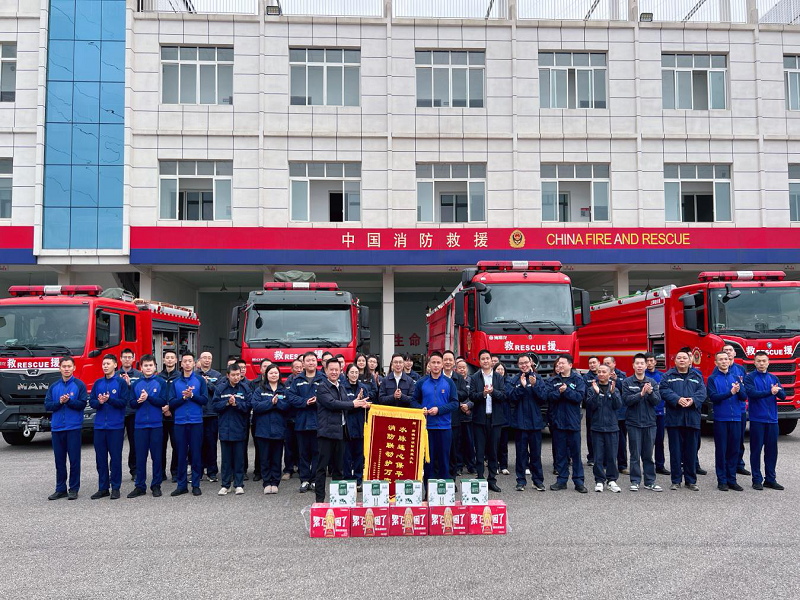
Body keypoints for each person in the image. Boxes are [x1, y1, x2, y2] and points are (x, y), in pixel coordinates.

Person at [314, 359, 370, 502]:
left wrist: (358, 402)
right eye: (331, 369)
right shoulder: (322, 387)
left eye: (336, 370)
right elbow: (333, 404)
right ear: (326, 371)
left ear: (340, 371)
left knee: (339, 469)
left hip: (341, 433)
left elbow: (346, 404)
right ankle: (320, 500)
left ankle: (338, 500)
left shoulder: (341, 387)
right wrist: (353, 403)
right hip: (327, 433)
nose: (334, 372)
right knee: (322, 468)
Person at [659, 348, 705, 491]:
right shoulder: (668, 376)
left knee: (691, 451)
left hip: (692, 419)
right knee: (675, 451)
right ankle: (676, 480)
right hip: (674, 419)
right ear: (675, 361)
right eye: (679, 358)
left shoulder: (697, 376)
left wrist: (693, 400)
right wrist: (677, 399)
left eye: (684, 358)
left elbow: (702, 392)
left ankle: (691, 481)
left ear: (690, 360)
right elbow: (663, 390)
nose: (682, 360)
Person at [45, 357, 89, 500]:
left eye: (69, 366)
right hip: (57, 428)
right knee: (59, 461)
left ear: (74, 368)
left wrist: (68, 401)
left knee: (74, 460)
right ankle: (60, 489)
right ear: (60, 368)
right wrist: (59, 402)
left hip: (73, 427)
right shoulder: (54, 386)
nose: (66, 369)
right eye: (64, 366)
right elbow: (47, 405)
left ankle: (74, 489)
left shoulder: (79, 385)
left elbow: (82, 404)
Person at [412, 352, 459, 483]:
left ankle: (443, 490)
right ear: (429, 364)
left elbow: (455, 403)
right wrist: (420, 409)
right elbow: (413, 401)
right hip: (427, 428)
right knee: (428, 461)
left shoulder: (449, 382)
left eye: (438, 362)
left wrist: (439, 410)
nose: (436, 365)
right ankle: (428, 491)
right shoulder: (422, 382)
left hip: (445, 428)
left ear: (442, 364)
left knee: (444, 461)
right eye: (433, 362)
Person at [743, 351, 786, 491]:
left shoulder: (773, 378)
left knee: (772, 451)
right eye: (759, 361)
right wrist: (770, 392)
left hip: (772, 420)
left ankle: (770, 479)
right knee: (756, 450)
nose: (761, 363)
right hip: (757, 420)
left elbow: (783, 396)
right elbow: (752, 394)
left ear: (768, 362)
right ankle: (756, 479)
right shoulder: (750, 378)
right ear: (754, 363)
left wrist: (778, 391)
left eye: (764, 361)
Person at [127, 354, 168, 498]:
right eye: (145, 365)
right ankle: (140, 486)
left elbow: (163, 401)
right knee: (140, 457)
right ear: (141, 368)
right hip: (140, 426)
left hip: (156, 425)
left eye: (151, 365)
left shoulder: (161, 382)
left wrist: (148, 398)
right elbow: (131, 404)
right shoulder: (136, 384)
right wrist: (140, 400)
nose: (148, 368)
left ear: (155, 367)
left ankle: (156, 485)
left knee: (156, 457)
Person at [168, 351, 208, 497]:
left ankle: (196, 484)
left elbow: (204, 400)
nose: (187, 363)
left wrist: (192, 395)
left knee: (196, 454)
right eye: (184, 361)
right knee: (181, 454)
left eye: (190, 361)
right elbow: (171, 403)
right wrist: (184, 398)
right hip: (180, 422)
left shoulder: (200, 380)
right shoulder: (175, 382)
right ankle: (181, 485)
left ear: (194, 363)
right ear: (181, 363)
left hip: (196, 422)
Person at [622, 353, 663, 492]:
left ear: (646, 366)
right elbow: (626, 400)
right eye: (637, 363)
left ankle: (650, 481)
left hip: (650, 423)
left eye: (642, 363)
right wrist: (641, 394)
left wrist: (650, 392)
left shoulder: (652, 382)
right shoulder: (627, 382)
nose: (639, 366)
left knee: (648, 455)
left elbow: (657, 401)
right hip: (633, 423)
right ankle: (635, 481)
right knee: (635, 454)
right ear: (633, 365)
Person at [89, 354, 128, 500]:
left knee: (115, 458)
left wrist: (109, 399)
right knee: (100, 459)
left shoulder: (121, 383)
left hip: (115, 427)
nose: (105, 366)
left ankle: (115, 487)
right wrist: (99, 402)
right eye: (103, 364)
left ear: (115, 365)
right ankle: (103, 488)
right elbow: (92, 402)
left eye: (108, 363)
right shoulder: (98, 383)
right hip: (100, 426)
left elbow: (123, 403)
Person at [706, 351, 746, 492]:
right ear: (716, 363)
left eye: (726, 359)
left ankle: (732, 480)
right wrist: (731, 392)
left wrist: (738, 390)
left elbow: (744, 397)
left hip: (736, 418)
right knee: (721, 451)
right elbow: (713, 397)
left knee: (734, 450)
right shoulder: (712, 379)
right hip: (721, 419)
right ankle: (722, 480)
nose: (724, 361)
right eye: (721, 359)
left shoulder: (736, 377)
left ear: (730, 361)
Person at [547, 354, 587, 493]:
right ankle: (562, 480)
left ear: (570, 365)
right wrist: (559, 392)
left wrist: (567, 391)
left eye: (563, 363)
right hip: (558, 423)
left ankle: (579, 481)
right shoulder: (553, 380)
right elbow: (548, 397)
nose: (560, 365)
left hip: (573, 423)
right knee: (560, 454)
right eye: (559, 363)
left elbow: (579, 397)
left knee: (576, 454)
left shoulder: (578, 379)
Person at [469, 349, 507, 493]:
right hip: (479, 420)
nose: (485, 361)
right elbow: (472, 396)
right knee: (479, 451)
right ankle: (480, 478)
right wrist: (483, 394)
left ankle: (492, 480)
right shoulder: (475, 377)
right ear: (479, 361)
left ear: (492, 361)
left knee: (493, 451)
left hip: (495, 420)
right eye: (483, 359)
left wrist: (493, 392)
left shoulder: (498, 377)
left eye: (487, 358)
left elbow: (503, 395)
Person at [286, 351, 325, 493]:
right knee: (303, 453)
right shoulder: (297, 380)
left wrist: (318, 400)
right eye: (308, 360)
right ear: (303, 363)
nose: (311, 363)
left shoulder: (323, 379)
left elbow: (329, 396)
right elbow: (290, 397)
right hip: (301, 422)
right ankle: (304, 480)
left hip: (318, 422)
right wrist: (305, 402)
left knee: (317, 453)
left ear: (317, 362)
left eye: (313, 360)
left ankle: (314, 480)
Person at [509, 354, 546, 492]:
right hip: (520, 423)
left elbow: (543, 398)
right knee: (521, 454)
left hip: (535, 423)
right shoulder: (514, 380)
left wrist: (534, 386)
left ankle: (538, 481)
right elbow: (511, 398)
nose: (524, 365)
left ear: (531, 362)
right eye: (521, 363)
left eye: (526, 362)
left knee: (536, 454)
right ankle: (520, 481)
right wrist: (522, 387)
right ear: (518, 365)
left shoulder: (538, 378)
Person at [212, 363, 251, 495]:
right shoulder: (221, 388)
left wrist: (236, 404)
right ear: (228, 375)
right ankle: (225, 485)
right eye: (233, 375)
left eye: (238, 375)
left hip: (240, 428)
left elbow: (249, 406)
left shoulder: (245, 388)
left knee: (239, 459)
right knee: (226, 460)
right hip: (225, 428)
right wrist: (227, 403)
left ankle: (239, 484)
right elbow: (215, 406)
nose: (236, 377)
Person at [251, 363, 289, 495]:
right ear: (266, 375)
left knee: (276, 458)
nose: (274, 375)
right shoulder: (259, 390)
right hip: (263, 430)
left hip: (279, 430)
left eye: (276, 373)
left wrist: (277, 403)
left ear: (279, 375)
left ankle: (275, 482)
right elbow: (256, 406)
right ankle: (267, 482)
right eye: (271, 373)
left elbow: (288, 406)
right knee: (264, 458)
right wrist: (271, 403)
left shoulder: (284, 390)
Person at [586, 364, 622, 493]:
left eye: (604, 372)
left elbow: (618, 405)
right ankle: (599, 480)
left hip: (612, 428)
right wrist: (596, 394)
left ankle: (612, 480)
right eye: (599, 372)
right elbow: (590, 406)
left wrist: (612, 393)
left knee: (612, 456)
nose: (601, 374)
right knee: (598, 457)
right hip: (597, 428)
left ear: (609, 374)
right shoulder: (592, 389)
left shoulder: (614, 388)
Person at [722, 343, 750, 476]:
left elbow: (745, 388)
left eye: (730, 350)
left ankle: (739, 464)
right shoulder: (718, 370)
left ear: (734, 353)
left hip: (740, 410)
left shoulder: (740, 369)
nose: (728, 352)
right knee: (726, 441)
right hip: (726, 410)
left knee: (739, 439)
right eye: (725, 350)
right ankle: (726, 464)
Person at [443, 351, 470, 478]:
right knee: (440, 450)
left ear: (454, 362)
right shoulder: (436, 376)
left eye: (450, 360)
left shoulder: (459, 377)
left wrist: (452, 392)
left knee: (453, 450)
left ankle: (451, 479)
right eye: (445, 360)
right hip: (438, 419)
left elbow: (464, 394)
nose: (448, 362)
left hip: (454, 419)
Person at [343, 363, 370, 489]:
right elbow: (343, 404)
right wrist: (355, 401)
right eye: (352, 372)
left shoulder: (363, 387)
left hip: (360, 425)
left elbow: (368, 403)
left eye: (356, 373)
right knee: (346, 456)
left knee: (359, 455)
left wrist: (367, 405)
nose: (354, 375)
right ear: (347, 374)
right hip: (347, 426)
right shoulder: (342, 387)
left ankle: (358, 480)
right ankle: (348, 479)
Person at [196, 351, 221, 483]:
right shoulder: (194, 375)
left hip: (212, 414)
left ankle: (212, 472)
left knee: (211, 444)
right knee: (197, 445)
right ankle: (198, 472)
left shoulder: (217, 375)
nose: (206, 360)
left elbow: (219, 392)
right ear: (199, 360)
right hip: (198, 414)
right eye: (204, 358)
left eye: (209, 358)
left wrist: (208, 384)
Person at [118, 348, 142, 481]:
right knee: (116, 444)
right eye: (124, 357)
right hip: (118, 413)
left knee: (135, 443)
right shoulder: (115, 374)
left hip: (133, 413)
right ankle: (114, 471)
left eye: (129, 357)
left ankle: (135, 470)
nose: (127, 360)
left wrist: (129, 385)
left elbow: (141, 391)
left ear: (133, 359)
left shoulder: (139, 375)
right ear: (120, 359)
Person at [645, 352, 669, 476]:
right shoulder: (641, 376)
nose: (649, 363)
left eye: (651, 361)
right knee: (647, 442)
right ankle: (647, 466)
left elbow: (665, 393)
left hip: (660, 413)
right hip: (646, 414)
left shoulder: (662, 376)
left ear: (655, 362)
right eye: (647, 361)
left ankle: (660, 465)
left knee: (659, 441)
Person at [603, 356, 628, 475]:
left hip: (620, 413)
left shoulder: (622, 375)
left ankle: (622, 465)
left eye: (608, 363)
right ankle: (606, 464)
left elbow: (626, 390)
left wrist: (616, 381)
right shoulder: (601, 375)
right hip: (607, 413)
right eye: (604, 363)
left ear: (614, 364)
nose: (606, 365)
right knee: (606, 440)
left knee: (621, 441)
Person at [159, 350, 180, 483]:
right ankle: (161, 472)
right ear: (163, 360)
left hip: (175, 416)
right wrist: (163, 408)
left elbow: (180, 396)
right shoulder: (158, 377)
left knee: (176, 445)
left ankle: (175, 472)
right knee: (160, 446)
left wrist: (170, 408)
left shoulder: (180, 377)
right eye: (167, 357)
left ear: (176, 360)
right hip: (160, 417)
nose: (170, 360)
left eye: (172, 357)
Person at [281, 358, 303, 480]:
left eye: (301, 367)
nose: (299, 370)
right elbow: (287, 399)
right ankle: (288, 469)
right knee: (289, 446)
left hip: (301, 419)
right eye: (296, 367)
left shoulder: (304, 381)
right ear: (292, 369)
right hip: (289, 419)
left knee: (301, 446)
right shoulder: (287, 383)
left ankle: (301, 469)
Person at [455, 358, 476, 475]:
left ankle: (471, 465)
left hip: (469, 417)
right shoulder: (454, 380)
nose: (462, 370)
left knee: (470, 443)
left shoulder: (472, 380)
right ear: (456, 369)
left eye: (464, 368)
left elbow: (475, 396)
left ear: (467, 369)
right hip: (457, 417)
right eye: (459, 368)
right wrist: (460, 406)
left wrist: (468, 406)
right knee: (458, 443)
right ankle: (458, 466)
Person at [494, 362, 511, 475]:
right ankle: (494, 465)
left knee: (504, 444)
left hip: (505, 416)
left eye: (502, 369)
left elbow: (506, 395)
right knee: (494, 443)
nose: (500, 371)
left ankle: (504, 466)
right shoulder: (491, 381)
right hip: (494, 417)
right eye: (498, 369)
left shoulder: (508, 382)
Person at [583, 356, 600, 466]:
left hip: (603, 410)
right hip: (591, 410)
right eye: (590, 363)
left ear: (599, 363)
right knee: (590, 434)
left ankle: (602, 457)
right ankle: (592, 457)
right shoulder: (585, 378)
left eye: (594, 362)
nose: (592, 365)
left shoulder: (604, 374)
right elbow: (585, 395)